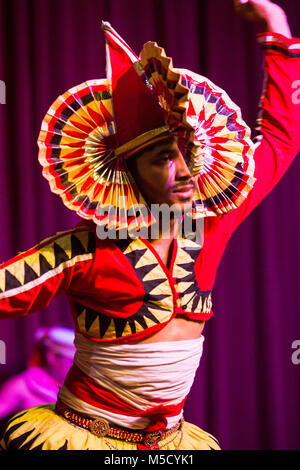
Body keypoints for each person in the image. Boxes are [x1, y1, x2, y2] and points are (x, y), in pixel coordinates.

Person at [0, 0, 299, 450]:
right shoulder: (84, 252)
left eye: (187, 154)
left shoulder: (209, 225)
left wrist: (277, 32)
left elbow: (281, 138)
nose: (185, 171)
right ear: (128, 170)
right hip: (83, 438)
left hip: (170, 443)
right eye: (163, 158)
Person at [0, 327, 75, 421]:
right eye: (71, 362)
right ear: (51, 357)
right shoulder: (22, 385)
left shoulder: (81, 389)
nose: (76, 368)